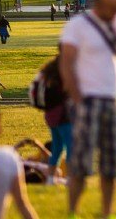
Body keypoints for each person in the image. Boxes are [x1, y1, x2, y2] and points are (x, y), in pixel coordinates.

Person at [59, 0, 116, 219]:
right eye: (113, 7)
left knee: (113, 163)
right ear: (100, 5)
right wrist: (77, 98)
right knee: (81, 163)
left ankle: (107, 213)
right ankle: (72, 212)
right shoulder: (78, 26)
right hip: (88, 99)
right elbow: (66, 63)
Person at [38, 53, 72, 185]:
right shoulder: (63, 77)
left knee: (57, 148)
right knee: (71, 147)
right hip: (63, 117)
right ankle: (69, 178)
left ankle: (51, 179)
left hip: (51, 117)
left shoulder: (49, 76)